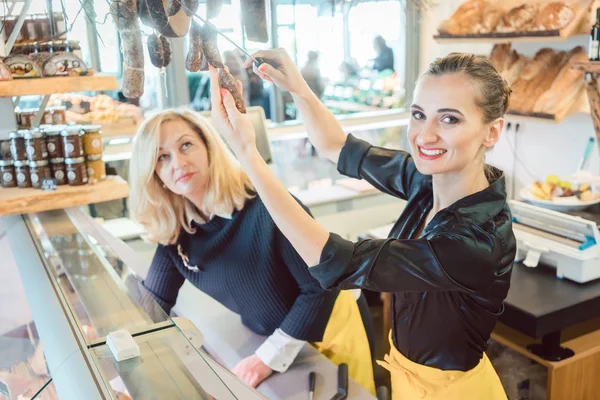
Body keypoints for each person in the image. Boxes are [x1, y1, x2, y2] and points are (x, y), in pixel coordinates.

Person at [210, 50, 516, 399]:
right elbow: (338, 147)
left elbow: (333, 261)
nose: (425, 135)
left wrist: (247, 155)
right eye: (418, 115)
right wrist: (298, 88)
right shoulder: (426, 182)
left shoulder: (476, 241)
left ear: (492, 132)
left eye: (449, 120)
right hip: (408, 381)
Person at [128, 109, 376, 393]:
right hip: (271, 334)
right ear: (154, 174)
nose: (178, 163)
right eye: (162, 157)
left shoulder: (266, 206)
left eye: (186, 145)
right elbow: (153, 307)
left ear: (208, 147)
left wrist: (266, 359)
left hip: (332, 327)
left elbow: (321, 287)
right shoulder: (177, 232)